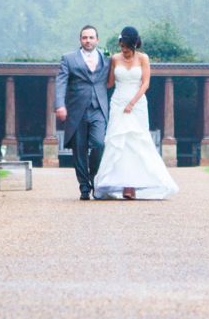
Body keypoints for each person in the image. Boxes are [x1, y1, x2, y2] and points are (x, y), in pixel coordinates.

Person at [93, 26, 179, 200]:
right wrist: (102, 65)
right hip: (118, 103)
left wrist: (132, 103)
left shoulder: (143, 58)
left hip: (137, 103)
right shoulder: (115, 59)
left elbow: (145, 83)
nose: (123, 50)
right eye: (121, 46)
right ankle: (123, 184)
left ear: (134, 45)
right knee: (119, 143)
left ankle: (134, 185)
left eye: (126, 47)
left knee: (137, 142)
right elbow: (109, 83)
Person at [53, 24, 109, 200]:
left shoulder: (107, 58)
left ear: (97, 40)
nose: (88, 40)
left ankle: (93, 177)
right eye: (85, 37)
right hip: (77, 110)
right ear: (80, 40)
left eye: (91, 37)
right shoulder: (68, 58)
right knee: (79, 150)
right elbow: (61, 82)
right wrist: (60, 105)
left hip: (99, 108)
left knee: (99, 144)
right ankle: (84, 187)